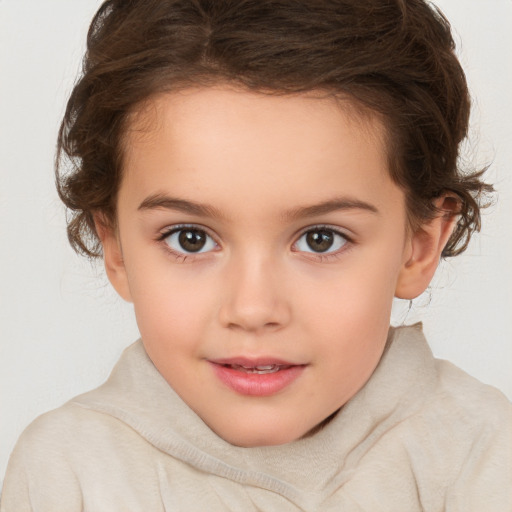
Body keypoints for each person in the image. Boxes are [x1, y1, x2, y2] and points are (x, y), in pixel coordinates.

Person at [1, 0, 511, 510]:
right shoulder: (69, 474)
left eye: (320, 239)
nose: (253, 309)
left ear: (418, 246)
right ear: (115, 248)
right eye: (190, 239)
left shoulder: (483, 453)